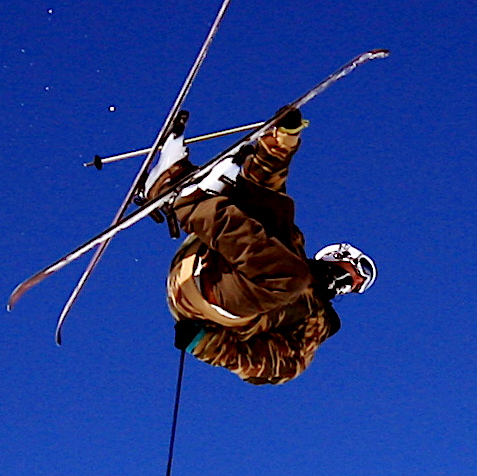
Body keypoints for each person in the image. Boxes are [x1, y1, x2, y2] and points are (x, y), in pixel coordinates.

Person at [145, 105, 375, 385]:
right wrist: (283, 141)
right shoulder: (288, 247)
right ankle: (177, 180)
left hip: (211, 303)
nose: (349, 284)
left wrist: (209, 346)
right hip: (205, 257)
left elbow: (284, 365)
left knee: (289, 278)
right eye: (351, 273)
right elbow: (268, 194)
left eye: (354, 286)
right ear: (333, 256)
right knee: (276, 216)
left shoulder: (315, 318)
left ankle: (188, 200)